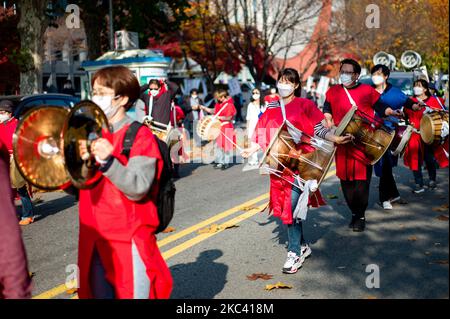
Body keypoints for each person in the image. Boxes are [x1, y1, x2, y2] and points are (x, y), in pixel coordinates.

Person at [241, 68, 352, 274]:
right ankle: (301, 245)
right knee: (287, 209)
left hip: (302, 164)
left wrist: (335, 138)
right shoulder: (272, 106)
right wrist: (252, 149)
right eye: (281, 81)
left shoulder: (305, 104)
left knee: (291, 208)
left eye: (288, 82)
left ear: (296, 85)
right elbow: (264, 134)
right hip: (279, 167)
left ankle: (294, 252)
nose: (283, 85)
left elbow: (319, 130)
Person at [77, 66, 172, 299]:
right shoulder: (90, 134)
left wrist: (109, 161)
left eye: (102, 92)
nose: (95, 98)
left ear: (123, 98)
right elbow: (78, 186)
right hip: (94, 242)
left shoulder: (140, 136)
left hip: (128, 243)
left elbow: (138, 187)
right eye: (94, 91)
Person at [323, 59, 401, 232]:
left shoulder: (366, 90)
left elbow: (381, 106)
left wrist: (391, 111)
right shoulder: (333, 91)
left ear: (357, 75)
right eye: (342, 71)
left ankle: (360, 215)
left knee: (361, 183)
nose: (344, 75)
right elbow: (327, 108)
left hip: (364, 142)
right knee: (345, 182)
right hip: (342, 142)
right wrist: (328, 119)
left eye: (348, 72)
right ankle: (354, 211)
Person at [370, 64, 413, 209]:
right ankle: (391, 195)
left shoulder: (394, 92)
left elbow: (408, 102)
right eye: (374, 73)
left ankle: (385, 198)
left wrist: (415, 106)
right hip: (370, 134)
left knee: (385, 165)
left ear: (386, 76)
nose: (375, 76)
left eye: (378, 73)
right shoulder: (368, 91)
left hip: (390, 133)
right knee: (384, 166)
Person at [403, 79, 449, 193]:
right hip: (415, 134)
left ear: (425, 89)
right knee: (415, 159)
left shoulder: (434, 100)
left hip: (429, 134)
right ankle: (419, 183)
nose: (416, 88)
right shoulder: (410, 101)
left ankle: (432, 180)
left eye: (418, 86)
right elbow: (405, 116)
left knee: (430, 158)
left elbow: (443, 114)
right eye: (414, 86)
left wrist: (432, 110)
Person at [0, 140, 32, 298]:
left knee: (23, 192)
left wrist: (17, 291)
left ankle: (28, 214)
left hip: (18, 163)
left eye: (4, 112)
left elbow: (7, 235)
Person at [0, 100, 35, 226]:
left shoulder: (18, 125)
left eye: (2, 112)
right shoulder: (0, 126)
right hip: (4, 160)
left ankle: (28, 214)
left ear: (9, 113)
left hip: (17, 159)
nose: (0, 115)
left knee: (20, 188)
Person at [201, 89, 237, 170]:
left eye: (218, 97)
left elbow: (229, 117)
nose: (217, 99)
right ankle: (220, 161)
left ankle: (226, 162)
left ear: (223, 96)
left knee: (226, 146)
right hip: (218, 127)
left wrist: (219, 117)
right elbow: (214, 111)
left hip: (226, 126)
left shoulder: (229, 105)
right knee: (218, 145)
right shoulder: (218, 104)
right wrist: (204, 108)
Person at [245, 88, 262, 167]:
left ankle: (267, 158)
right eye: (253, 93)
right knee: (253, 143)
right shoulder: (250, 105)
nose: (255, 94)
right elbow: (248, 118)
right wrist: (247, 128)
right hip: (252, 126)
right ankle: (255, 159)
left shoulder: (264, 104)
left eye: (257, 92)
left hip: (262, 126)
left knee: (263, 143)